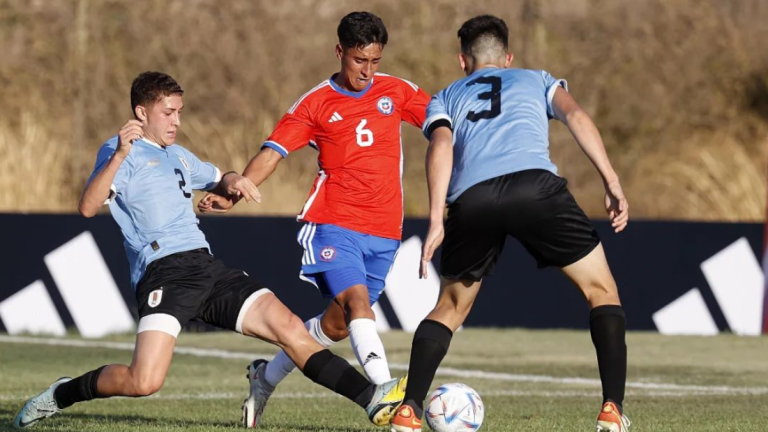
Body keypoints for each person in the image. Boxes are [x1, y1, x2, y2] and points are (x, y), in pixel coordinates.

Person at [12, 71, 406, 430]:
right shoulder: (121, 153)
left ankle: (371, 398)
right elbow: (86, 206)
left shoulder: (179, 155)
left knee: (289, 328)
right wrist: (117, 155)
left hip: (207, 267)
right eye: (168, 113)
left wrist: (236, 184)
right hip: (163, 274)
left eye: (179, 112)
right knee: (143, 381)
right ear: (141, 113)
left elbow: (220, 177)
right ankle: (64, 392)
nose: (176, 121)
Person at [389, 15, 631, 432]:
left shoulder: (445, 96)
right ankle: (611, 409)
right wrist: (611, 179)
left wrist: (435, 219)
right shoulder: (537, 78)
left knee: (449, 307)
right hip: (534, 188)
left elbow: (441, 146)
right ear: (508, 57)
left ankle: (409, 409)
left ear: (463, 61)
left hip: (473, 199)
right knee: (602, 290)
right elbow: (576, 117)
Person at [199, 11, 430, 428]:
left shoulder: (397, 91)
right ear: (340, 51)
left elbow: (442, 121)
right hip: (333, 222)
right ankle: (386, 395)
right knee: (357, 303)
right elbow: (272, 152)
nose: (367, 71)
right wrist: (236, 189)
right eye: (360, 60)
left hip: (385, 232)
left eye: (375, 61)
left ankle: (263, 378)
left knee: (336, 326)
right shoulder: (315, 103)